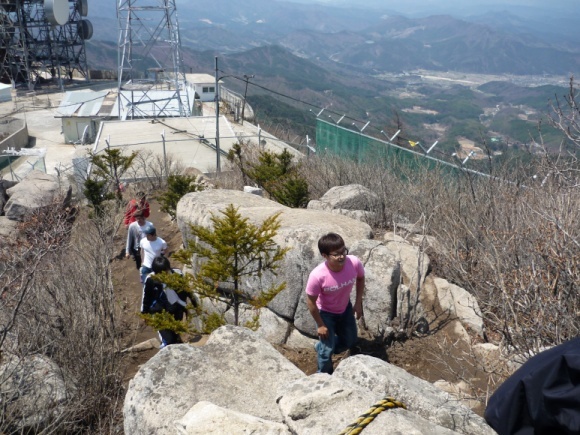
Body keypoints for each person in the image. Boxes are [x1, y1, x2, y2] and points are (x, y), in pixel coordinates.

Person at [306, 232, 365, 374]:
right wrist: (320, 325)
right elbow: (311, 302)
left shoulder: (354, 263)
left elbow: (361, 278)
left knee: (350, 341)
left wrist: (358, 303)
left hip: (345, 309)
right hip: (325, 314)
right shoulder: (317, 276)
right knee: (326, 351)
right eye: (336, 254)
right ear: (325, 256)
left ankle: (320, 347)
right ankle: (324, 376)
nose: (342, 256)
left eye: (343, 251)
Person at [141, 256, 188, 348]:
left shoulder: (178, 274)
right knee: (169, 340)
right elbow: (146, 297)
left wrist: (186, 308)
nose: (163, 275)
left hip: (176, 310)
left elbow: (185, 292)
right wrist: (144, 313)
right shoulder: (151, 279)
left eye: (165, 271)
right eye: (159, 273)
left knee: (175, 335)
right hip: (158, 312)